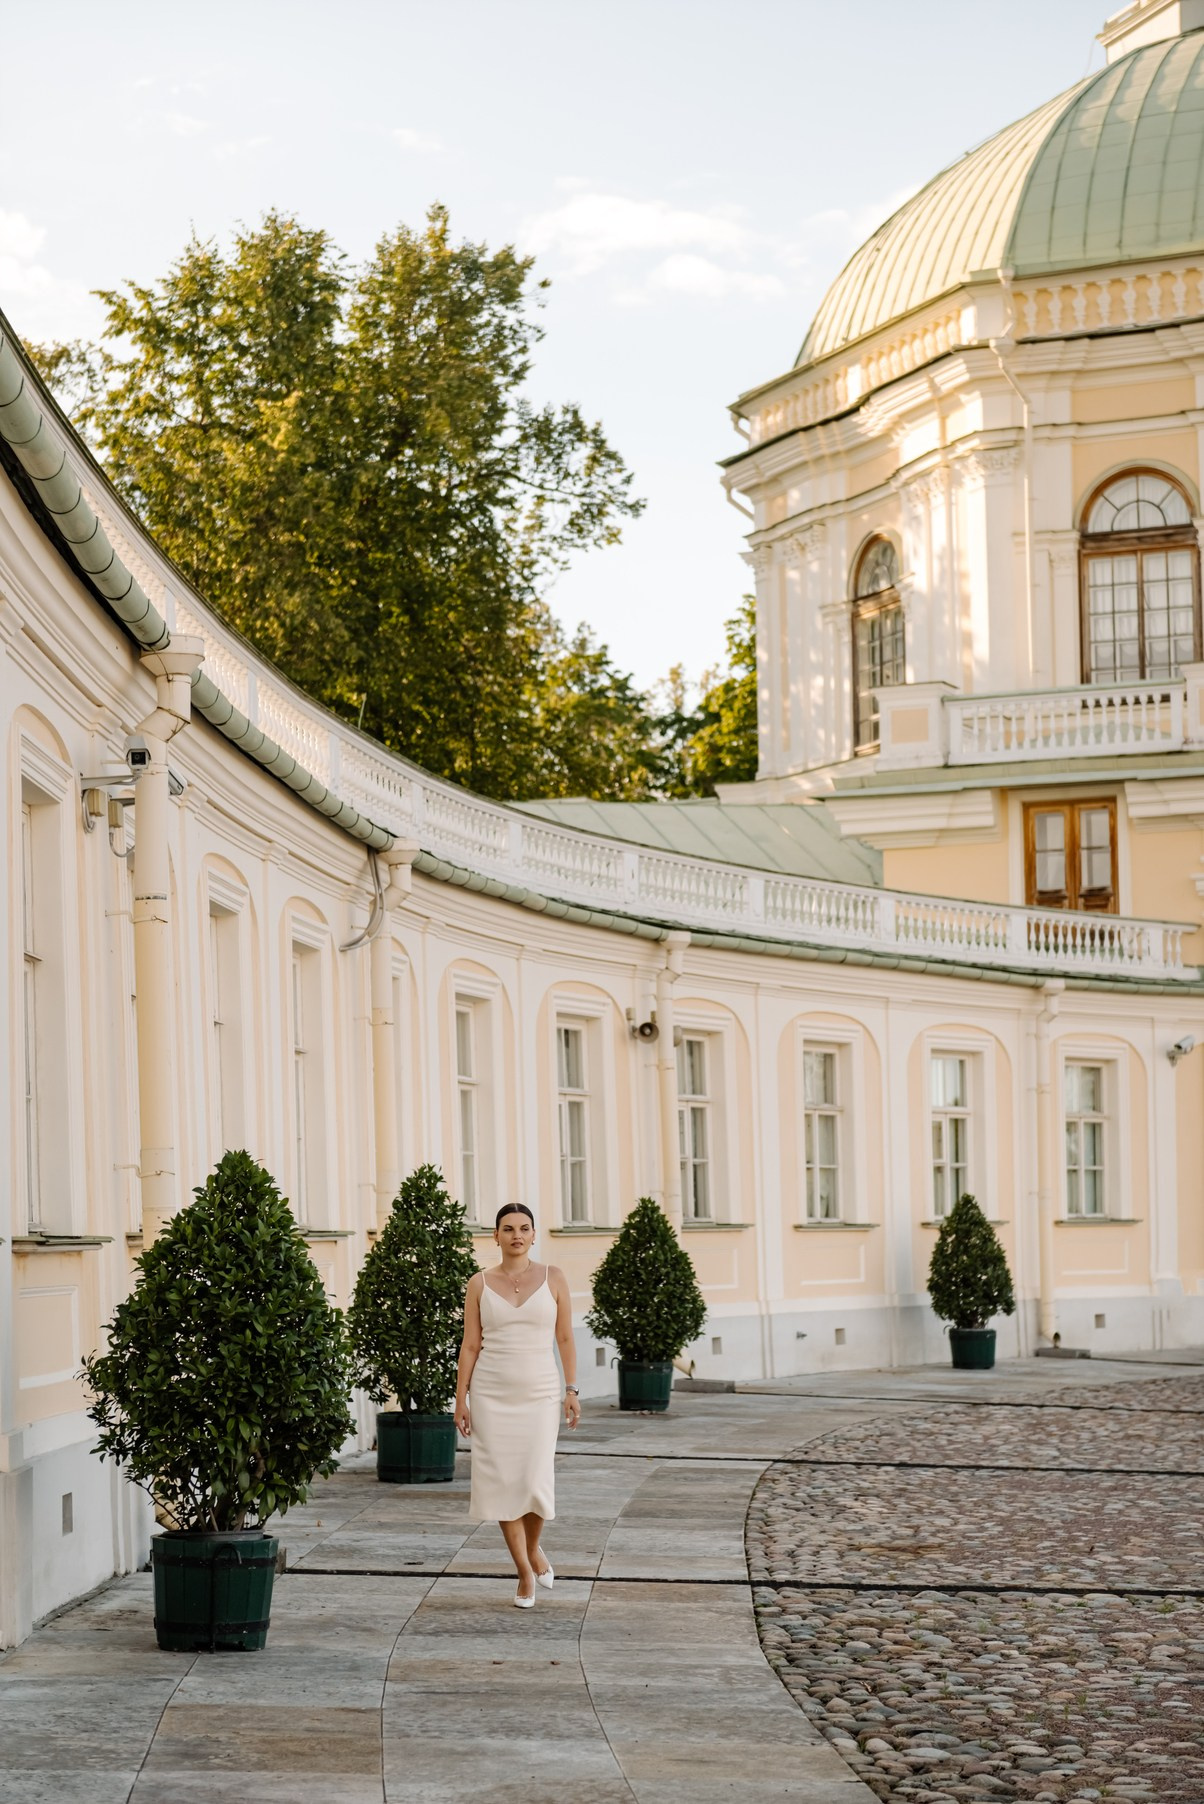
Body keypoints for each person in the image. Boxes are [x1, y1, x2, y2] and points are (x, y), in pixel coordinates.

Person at [455, 1204, 581, 1606]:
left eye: (524, 1228)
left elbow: (565, 1339)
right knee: (503, 1482)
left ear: (533, 1234)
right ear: (495, 1236)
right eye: (508, 1229)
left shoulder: (554, 1278)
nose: (516, 1235)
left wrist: (572, 1389)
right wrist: (462, 1398)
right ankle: (524, 1571)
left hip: (541, 1392)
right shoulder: (478, 1283)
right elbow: (470, 1344)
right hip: (491, 1393)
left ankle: (533, 1547)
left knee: (534, 1478)